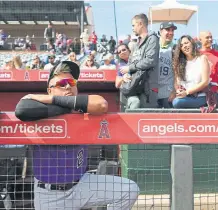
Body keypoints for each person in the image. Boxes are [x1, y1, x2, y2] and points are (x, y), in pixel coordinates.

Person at [15, 61, 139, 210]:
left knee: (129, 190)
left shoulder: (82, 106)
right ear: (49, 90)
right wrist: (65, 108)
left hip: (81, 184)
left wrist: (61, 103)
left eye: (72, 82)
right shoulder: (40, 110)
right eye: (62, 83)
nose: (68, 86)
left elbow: (101, 104)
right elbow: (22, 109)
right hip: (49, 194)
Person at [120, 13, 160, 108]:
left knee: (146, 119)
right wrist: (126, 75)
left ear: (141, 24)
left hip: (148, 88)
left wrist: (129, 68)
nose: (132, 28)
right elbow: (131, 61)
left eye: (134, 25)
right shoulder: (137, 43)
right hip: (135, 86)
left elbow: (150, 60)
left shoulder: (152, 39)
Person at [172, 35, 210, 109]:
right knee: (174, 101)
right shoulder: (179, 63)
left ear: (192, 43)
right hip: (186, 97)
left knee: (177, 102)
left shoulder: (202, 59)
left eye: (186, 43)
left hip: (201, 96)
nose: (185, 46)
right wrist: (178, 90)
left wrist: (187, 92)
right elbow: (176, 82)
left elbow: (205, 82)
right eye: (182, 45)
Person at [199, 31, 218, 108]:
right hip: (198, 93)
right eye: (207, 37)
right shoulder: (195, 54)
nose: (210, 39)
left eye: (211, 37)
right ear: (200, 40)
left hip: (215, 93)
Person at [158, 22, 177, 108]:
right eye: (168, 30)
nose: (171, 33)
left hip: (168, 92)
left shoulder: (175, 48)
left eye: (172, 30)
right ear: (161, 31)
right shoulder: (153, 46)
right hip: (153, 92)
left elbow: (178, 73)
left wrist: (174, 90)